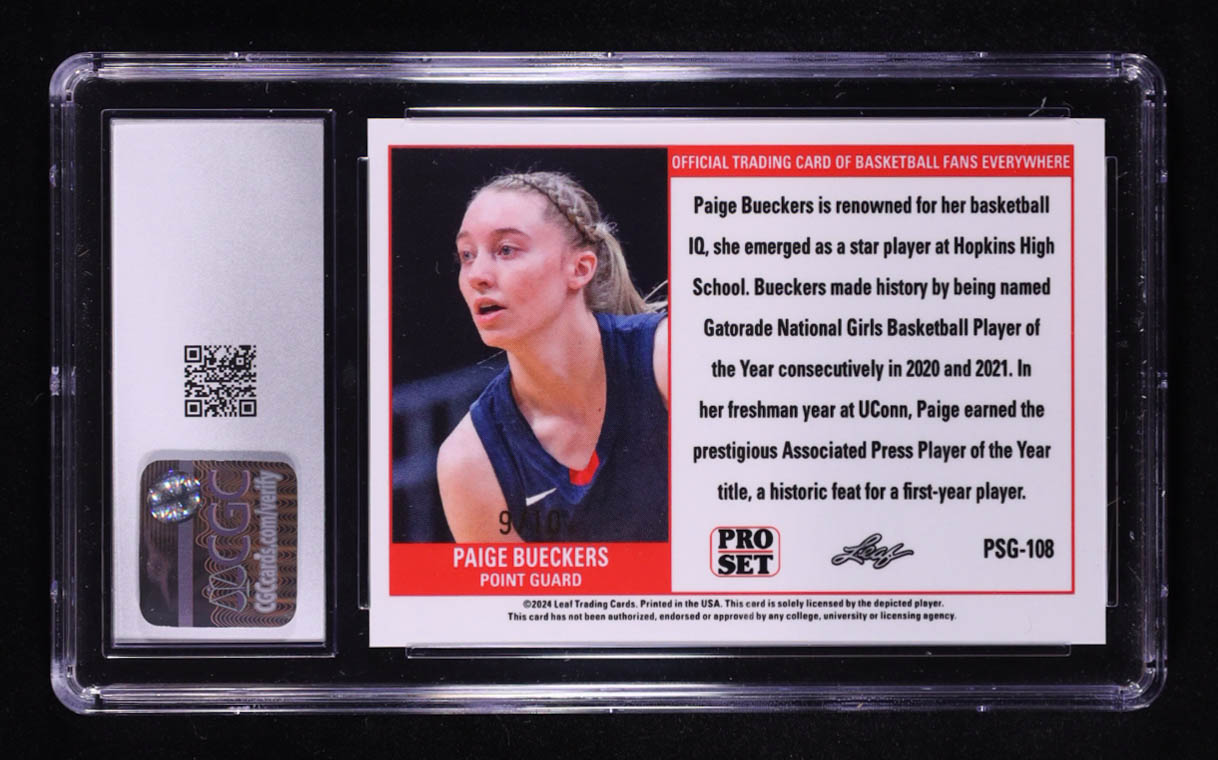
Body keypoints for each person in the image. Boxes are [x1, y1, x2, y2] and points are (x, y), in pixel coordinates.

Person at [436, 171, 668, 543]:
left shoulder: (668, 360)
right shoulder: (469, 461)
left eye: (506, 249)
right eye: (467, 255)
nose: (477, 275)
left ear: (580, 268)